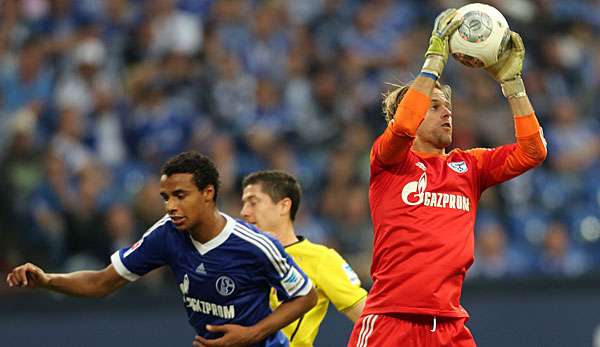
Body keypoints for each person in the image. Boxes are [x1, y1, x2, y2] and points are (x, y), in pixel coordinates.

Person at [347, 8, 547, 347]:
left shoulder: (469, 167)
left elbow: (533, 151)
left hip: (449, 326)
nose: (447, 112)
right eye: (435, 106)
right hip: (390, 320)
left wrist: (513, 86)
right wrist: (434, 60)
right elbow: (404, 127)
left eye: (447, 106)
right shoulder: (388, 161)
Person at [7, 151, 317, 347]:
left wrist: (252, 334)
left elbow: (306, 296)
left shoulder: (255, 245)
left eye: (180, 195)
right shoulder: (165, 235)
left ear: (208, 193)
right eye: (165, 197)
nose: (171, 206)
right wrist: (47, 279)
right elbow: (102, 283)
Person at [241, 170, 368, 347]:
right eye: (244, 204)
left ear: (284, 206)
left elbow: (369, 319)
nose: (244, 212)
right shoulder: (236, 257)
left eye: (253, 203)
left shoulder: (321, 259)